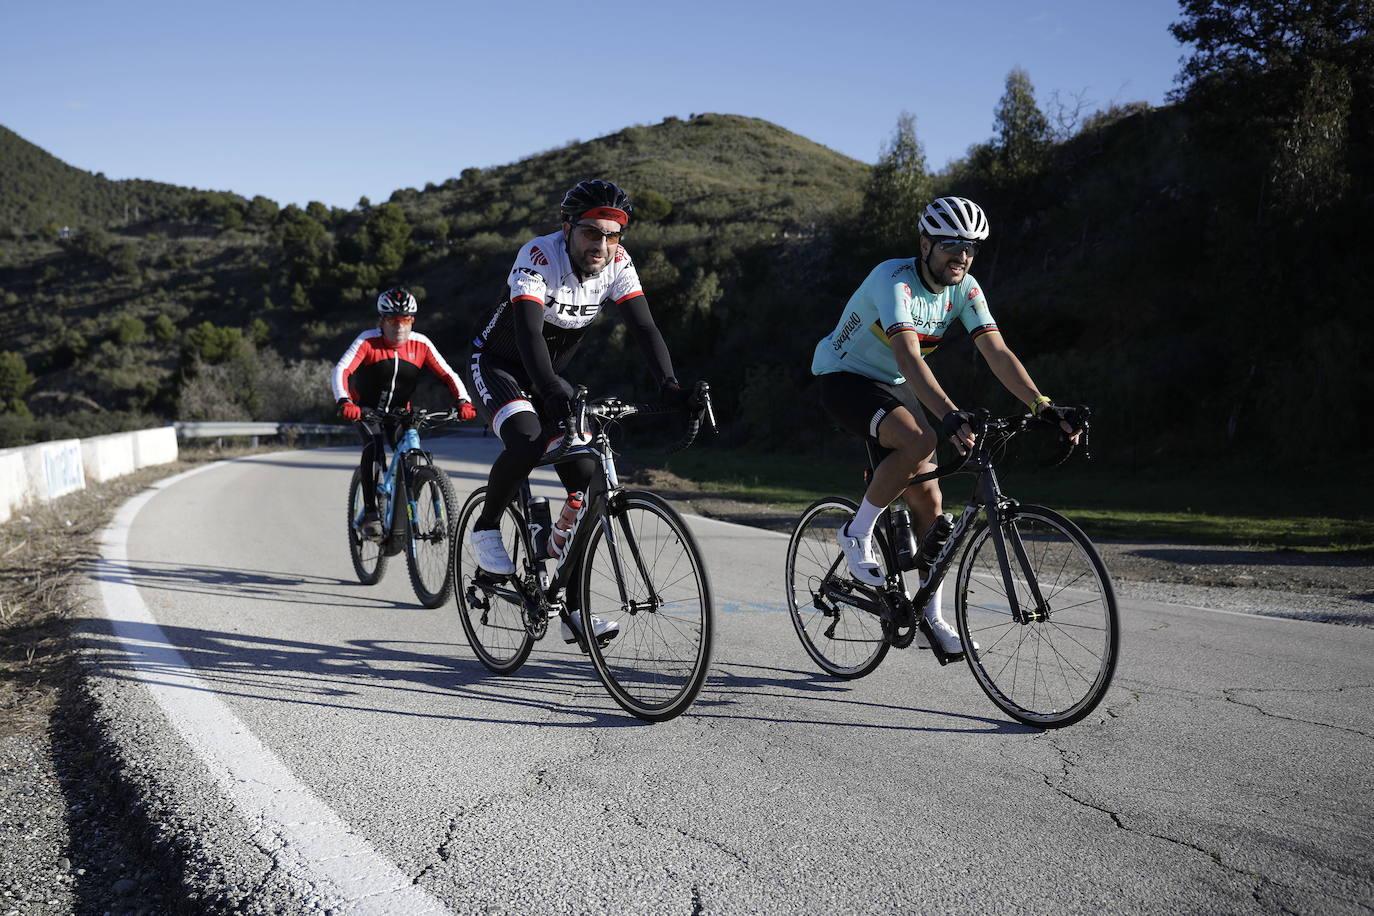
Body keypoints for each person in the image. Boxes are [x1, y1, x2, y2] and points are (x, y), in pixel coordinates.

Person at [811, 196, 1082, 655]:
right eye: (951, 244)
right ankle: (855, 531)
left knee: (931, 501)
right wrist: (949, 413)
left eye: (971, 247)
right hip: (844, 377)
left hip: (893, 384)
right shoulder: (893, 280)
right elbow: (909, 356)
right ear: (925, 244)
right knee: (920, 438)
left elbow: (998, 353)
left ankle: (931, 617)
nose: (962, 255)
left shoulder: (967, 288)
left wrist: (1042, 405)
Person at [466, 179, 691, 646]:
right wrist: (548, 389)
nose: (603, 244)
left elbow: (645, 327)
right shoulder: (539, 256)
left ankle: (572, 609)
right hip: (500, 363)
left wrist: (670, 386)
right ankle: (487, 526)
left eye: (613, 235)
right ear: (567, 228)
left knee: (591, 481)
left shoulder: (618, 265)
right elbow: (528, 334)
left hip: (550, 376)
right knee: (528, 438)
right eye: (592, 232)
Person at [332, 287, 476, 539]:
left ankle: (407, 505)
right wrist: (344, 401)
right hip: (366, 411)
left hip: (400, 413)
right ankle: (370, 512)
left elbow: (448, 375)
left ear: (413, 321)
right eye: (392, 320)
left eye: (406, 320)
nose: (399, 327)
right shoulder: (368, 341)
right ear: (382, 321)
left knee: (412, 452)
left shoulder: (421, 344)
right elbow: (342, 370)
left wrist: (463, 401)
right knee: (373, 448)